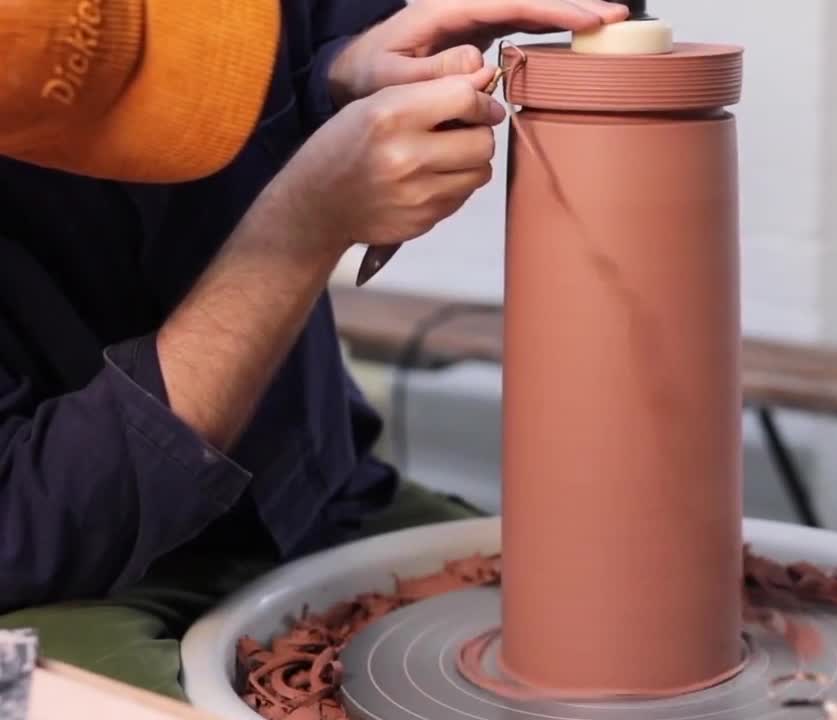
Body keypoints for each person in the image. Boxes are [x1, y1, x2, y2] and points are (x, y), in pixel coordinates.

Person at [0, 0, 629, 701]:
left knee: (619, 612)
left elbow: (297, 30)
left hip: (313, 489)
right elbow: (27, 527)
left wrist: (336, 71)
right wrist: (298, 232)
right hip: (78, 576)